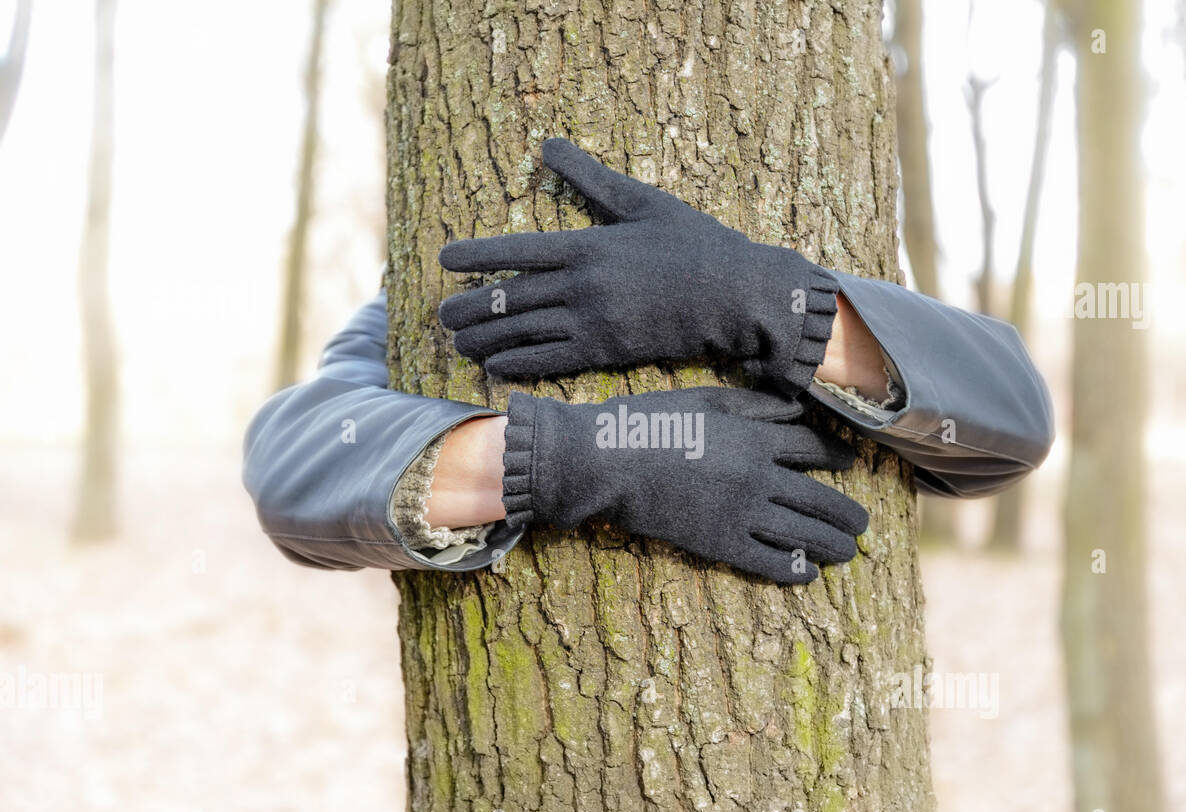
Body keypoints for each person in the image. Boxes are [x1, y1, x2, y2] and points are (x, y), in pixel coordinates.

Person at [243, 139, 1053, 584]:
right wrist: (570, 459)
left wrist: (757, 296)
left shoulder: (853, 240)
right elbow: (293, 470)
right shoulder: (447, 298)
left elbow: (1013, 420)